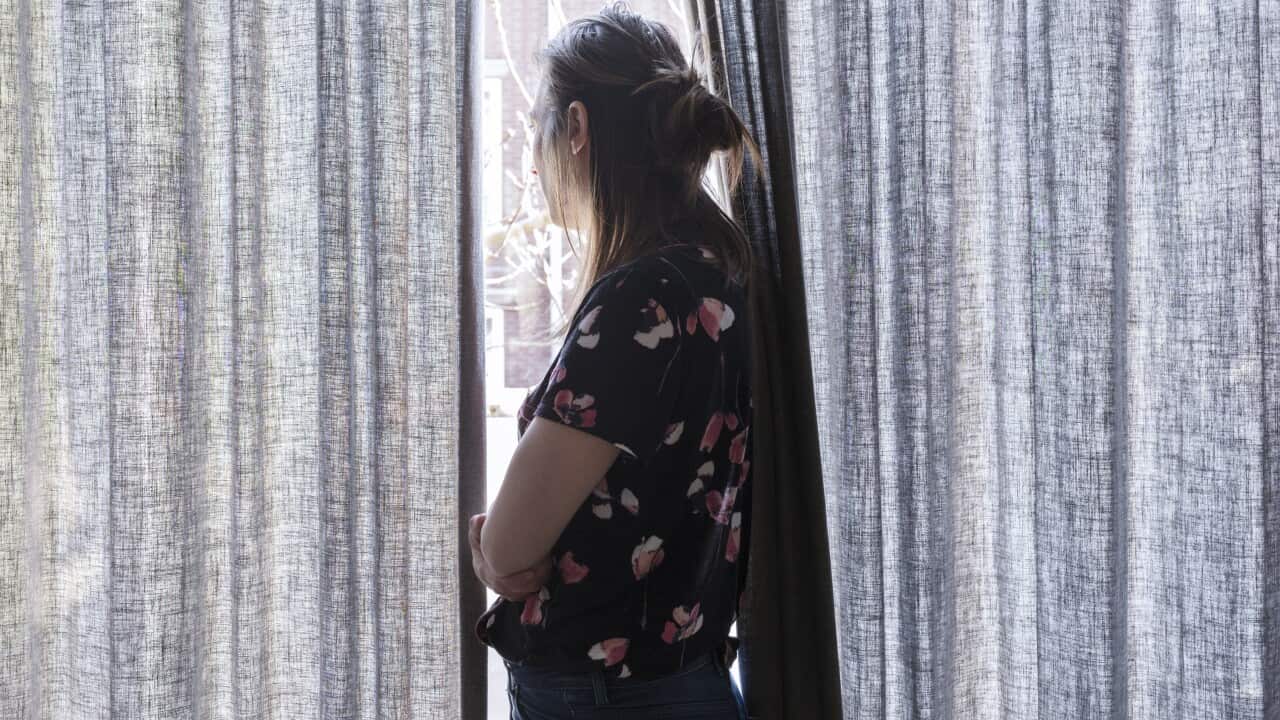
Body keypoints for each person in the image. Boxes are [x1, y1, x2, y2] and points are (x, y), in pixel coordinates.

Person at [470, 2, 763, 717]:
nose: (532, 159)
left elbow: (510, 552)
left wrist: (489, 547)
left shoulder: (640, 299)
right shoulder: (715, 274)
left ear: (576, 129)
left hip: (608, 699)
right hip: (680, 682)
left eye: (540, 126)